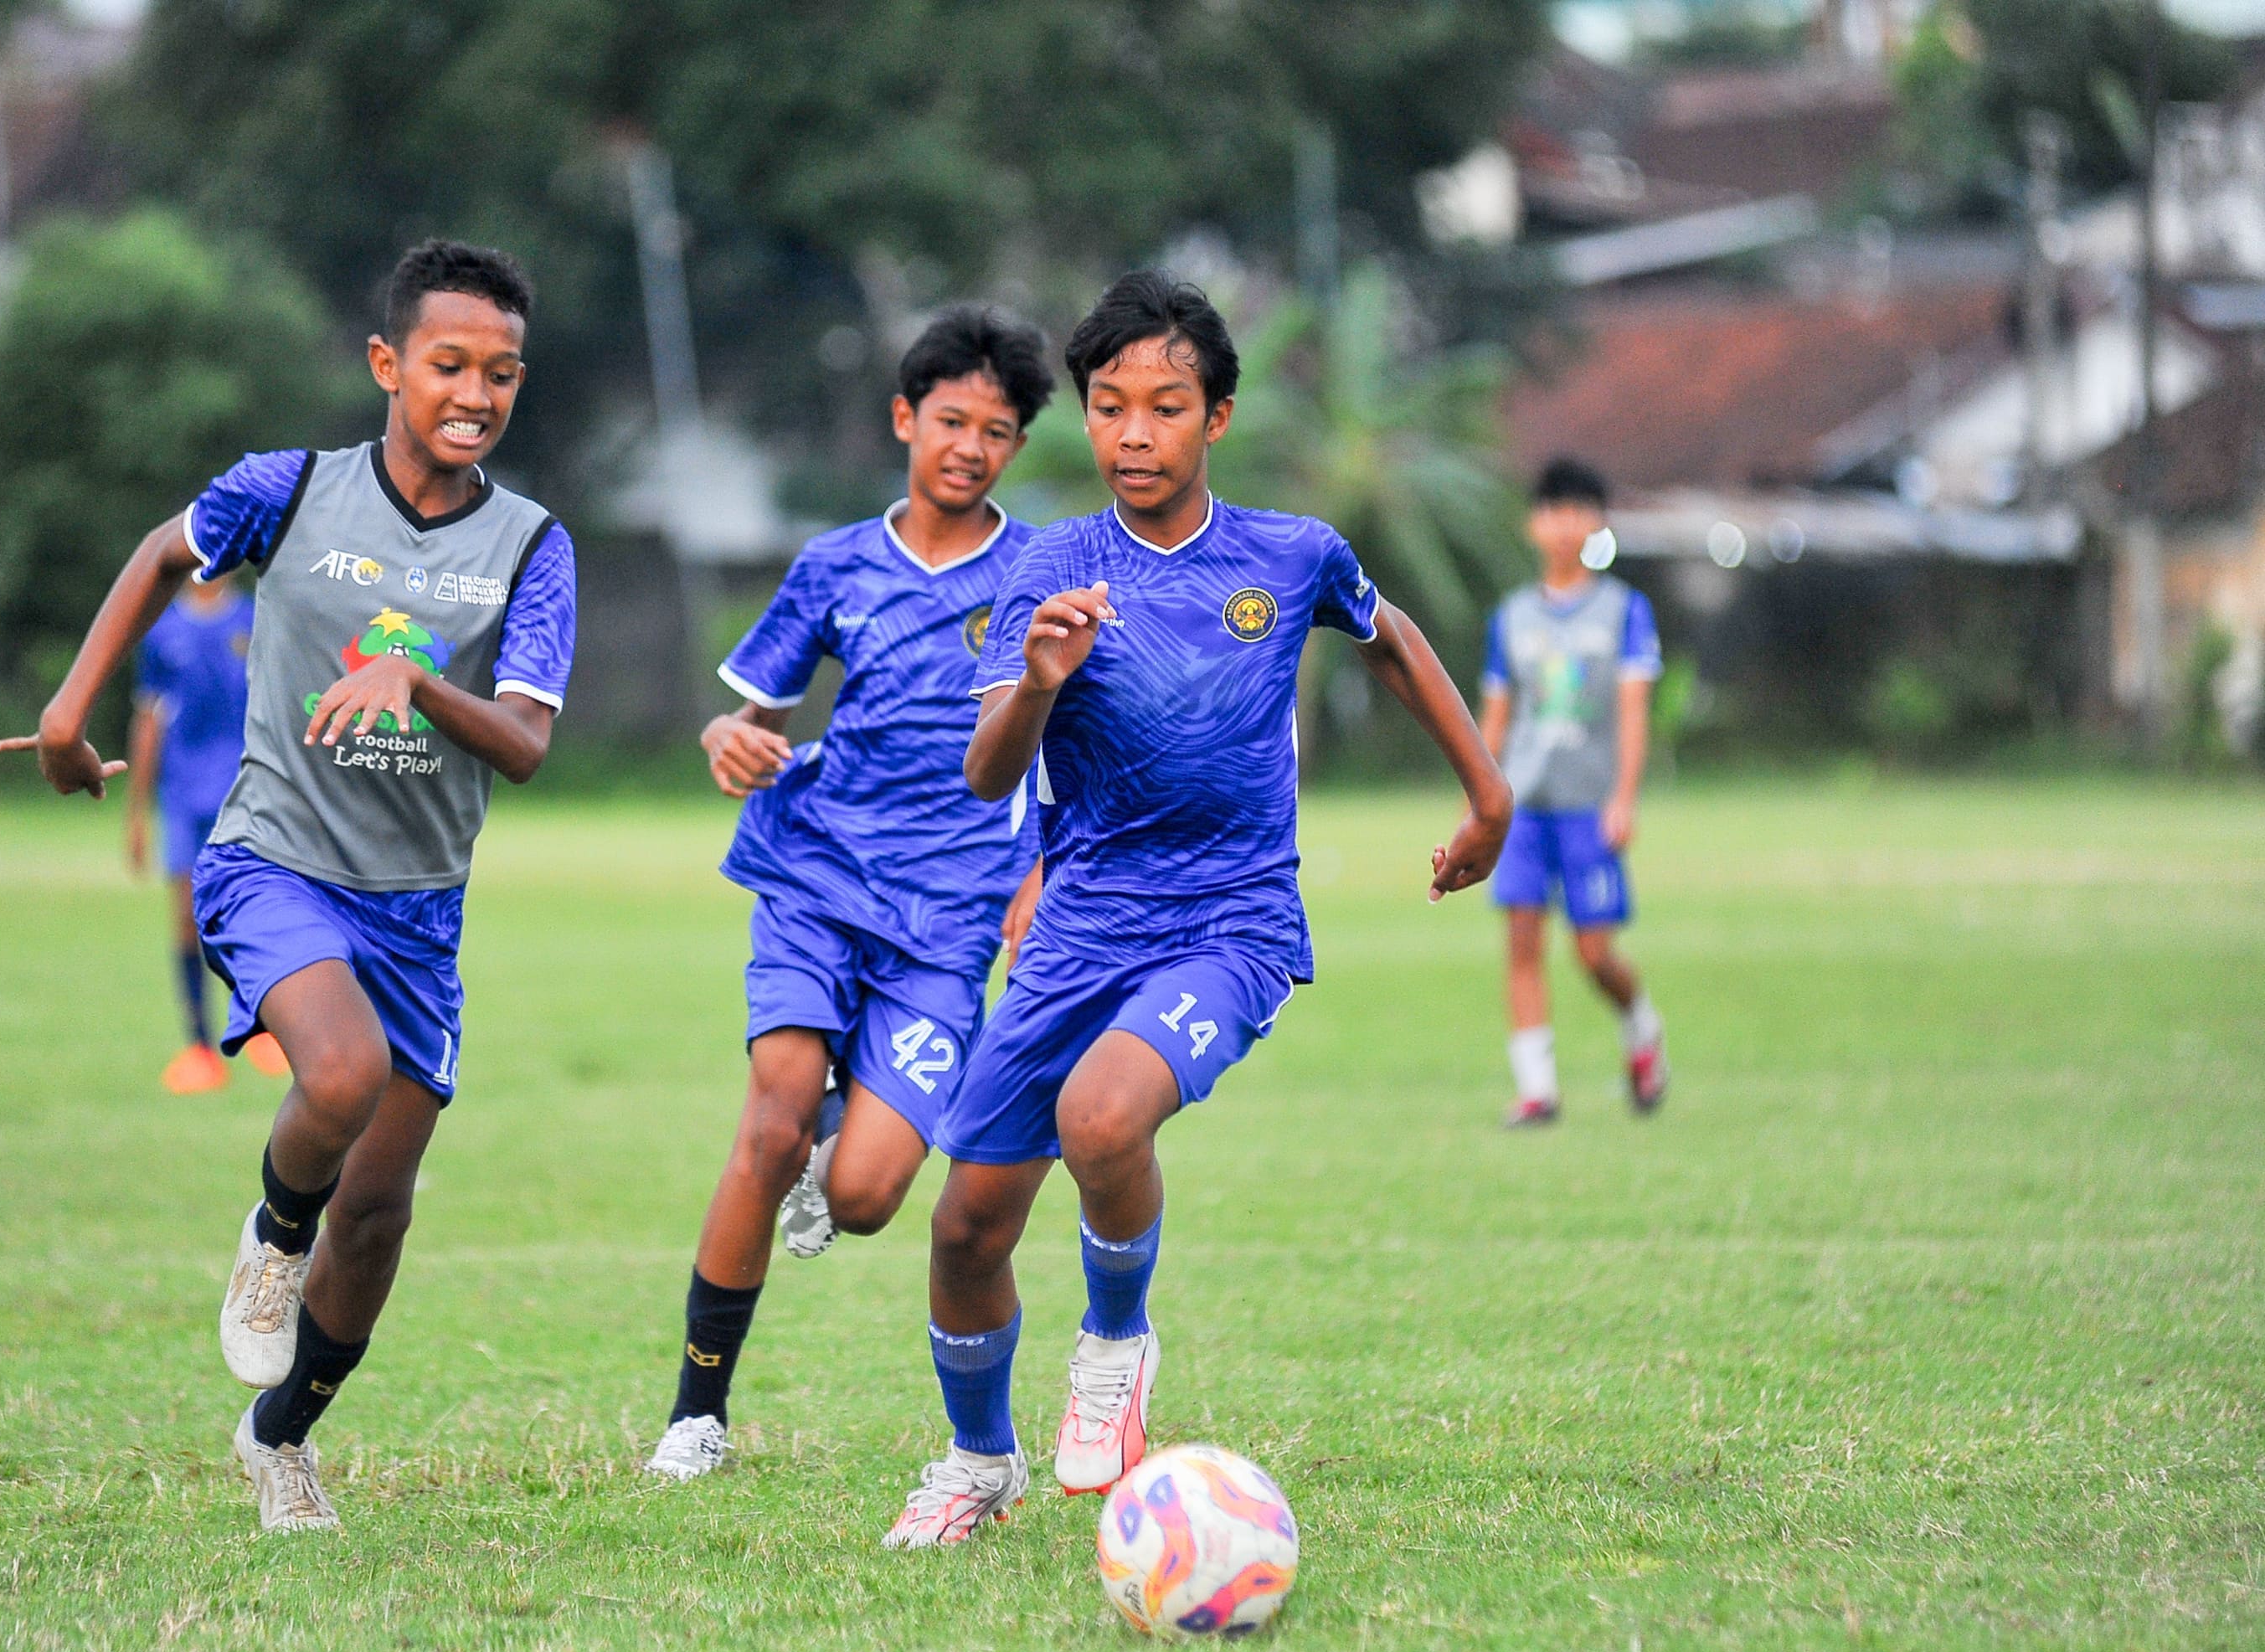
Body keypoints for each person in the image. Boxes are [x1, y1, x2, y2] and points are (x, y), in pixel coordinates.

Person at [880, 271, 1513, 1547]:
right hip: (1077, 929)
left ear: (1214, 418)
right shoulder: (1050, 566)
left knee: (1101, 1118)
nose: (1129, 434)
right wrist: (1038, 681)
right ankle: (975, 1461)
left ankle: (1115, 1345)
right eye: (1106, 407)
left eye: (1161, 408)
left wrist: (1487, 798)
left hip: (1229, 923)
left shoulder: (1287, 557)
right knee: (964, 1226)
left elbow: (1388, 640)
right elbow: (988, 771)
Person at [0, 240, 576, 1533]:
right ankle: (269, 1242)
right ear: (387, 366)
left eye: (499, 373)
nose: (473, 392)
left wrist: (416, 681)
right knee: (336, 1073)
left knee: (374, 1217)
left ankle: (280, 1438)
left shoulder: (533, 546)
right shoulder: (292, 490)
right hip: (271, 861)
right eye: (446, 364)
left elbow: (528, 744)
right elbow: (160, 557)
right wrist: (64, 714)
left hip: (419, 910)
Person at [645, 306, 1053, 1482]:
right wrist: (731, 736)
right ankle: (696, 1416)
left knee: (867, 1195)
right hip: (819, 873)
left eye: (996, 430)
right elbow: (752, 715)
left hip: (955, 911)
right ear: (903, 420)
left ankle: (841, 1124)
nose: (969, 446)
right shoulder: (833, 565)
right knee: (771, 1116)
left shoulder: (1037, 573)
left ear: (1014, 448)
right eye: (950, 421)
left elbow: (1067, 739)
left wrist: (1037, 872)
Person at [1477, 457, 1668, 1129]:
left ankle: (1641, 1026)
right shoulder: (1512, 618)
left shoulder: (1624, 611)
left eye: (1580, 511)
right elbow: (1496, 719)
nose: (1566, 525)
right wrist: (1479, 803)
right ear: (1534, 524)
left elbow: (1633, 711)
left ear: (1598, 523)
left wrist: (1624, 797)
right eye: (1554, 511)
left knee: (1593, 953)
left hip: (1589, 805)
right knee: (1522, 943)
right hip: (1525, 806)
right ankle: (1538, 1091)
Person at [122, 568, 289, 1093]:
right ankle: (199, 1048)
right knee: (186, 919)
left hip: (247, 791)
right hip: (183, 797)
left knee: (256, 913)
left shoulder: (257, 618)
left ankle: (265, 1028)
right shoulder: (164, 632)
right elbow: (148, 720)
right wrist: (136, 813)